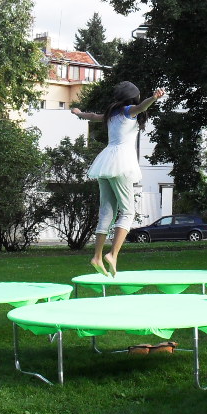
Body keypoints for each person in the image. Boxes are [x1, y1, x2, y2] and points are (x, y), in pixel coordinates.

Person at [72, 82, 164, 277]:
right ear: (133, 97)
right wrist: (154, 98)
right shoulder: (129, 110)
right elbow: (142, 107)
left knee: (107, 211)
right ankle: (112, 255)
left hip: (106, 161)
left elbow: (92, 116)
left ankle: (97, 256)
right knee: (128, 211)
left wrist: (78, 113)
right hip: (122, 162)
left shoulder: (111, 113)